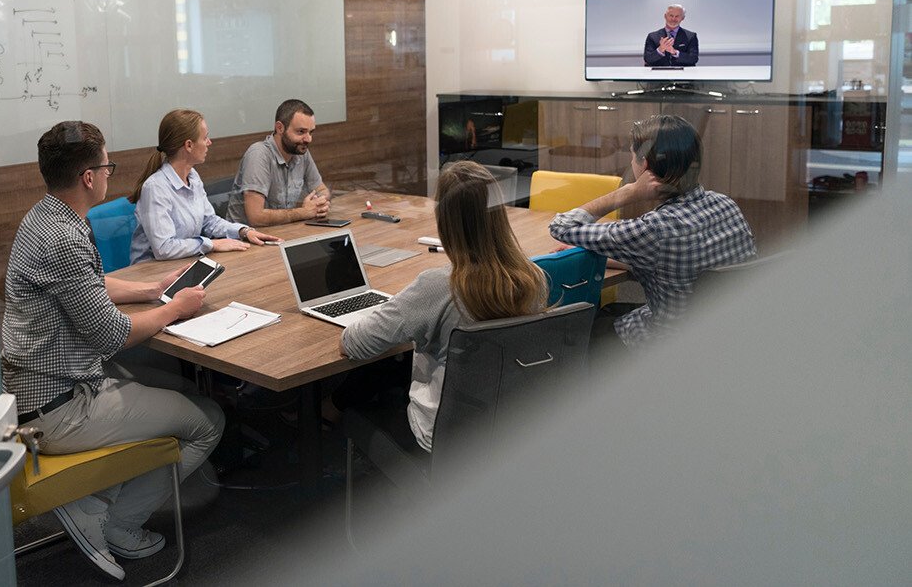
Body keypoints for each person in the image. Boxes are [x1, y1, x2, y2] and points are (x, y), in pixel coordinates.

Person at [1, 121, 225, 580]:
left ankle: (96, 498)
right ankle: (118, 524)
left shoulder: (46, 216)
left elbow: (86, 284)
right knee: (206, 421)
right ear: (88, 177)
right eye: (107, 166)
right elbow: (110, 335)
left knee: (173, 389)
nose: (110, 173)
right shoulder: (64, 237)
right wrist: (175, 308)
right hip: (60, 409)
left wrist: (149, 290)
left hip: (38, 392)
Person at [340, 161, 548, 452]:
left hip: (442, 440)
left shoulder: (438, 286)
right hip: (509, 430)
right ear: (499, 216)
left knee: (353, 398)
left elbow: (355, 343)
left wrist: (394, 308)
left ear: (444, 220)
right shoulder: (533, 278)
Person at [548, 114, 755, 349]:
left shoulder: (654, 229)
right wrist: (606, 255)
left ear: (644, 165)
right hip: (725, 334)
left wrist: (627, 192)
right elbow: (673, 264)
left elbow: (561, 226)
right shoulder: (726, 204)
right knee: (611, 311)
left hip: (668, 346)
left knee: (590, 326)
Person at [128, 108, 278, 264]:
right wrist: (211, 244)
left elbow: (209, 221)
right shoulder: (155, 187)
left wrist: (243, 231)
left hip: (184, 263)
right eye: (205, 137)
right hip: (151, 273)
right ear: (189, 145)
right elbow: (164, 248)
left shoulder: (192, 176)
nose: (209, 142)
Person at [227, 98, 330, 225]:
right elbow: (256, 217)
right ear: (280, 128)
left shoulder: (300, 151)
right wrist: (304, 212)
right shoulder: (258, 155)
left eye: (311, 132)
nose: (308, 139)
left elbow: (321, 189)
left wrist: (318, 203)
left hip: (281, 232)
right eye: (301, 132)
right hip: (244, 240)